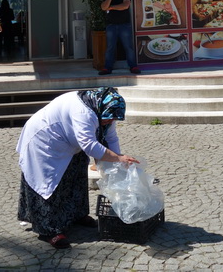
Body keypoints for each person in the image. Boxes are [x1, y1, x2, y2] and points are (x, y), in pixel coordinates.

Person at [16, 87, 139, 249]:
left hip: (69, 141)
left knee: (76, 177)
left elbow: (110, 137)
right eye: (108, 119)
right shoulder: (84, 112)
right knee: (49, 183)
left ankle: (76, 215)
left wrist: (118, 161)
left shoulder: (104, 109)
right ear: (101, 109)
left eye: (112, 119)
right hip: (45, 142)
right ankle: (48, 230)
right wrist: (117, 158)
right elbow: (89, 145)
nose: (110, 122)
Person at [98, 0, 140, 75]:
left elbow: (125, 6)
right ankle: (107, 68)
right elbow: (104, 7)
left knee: (128, 47)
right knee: (110, 47)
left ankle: (133, 66)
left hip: (124, 25)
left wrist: (111, 7)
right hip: (111, 26)